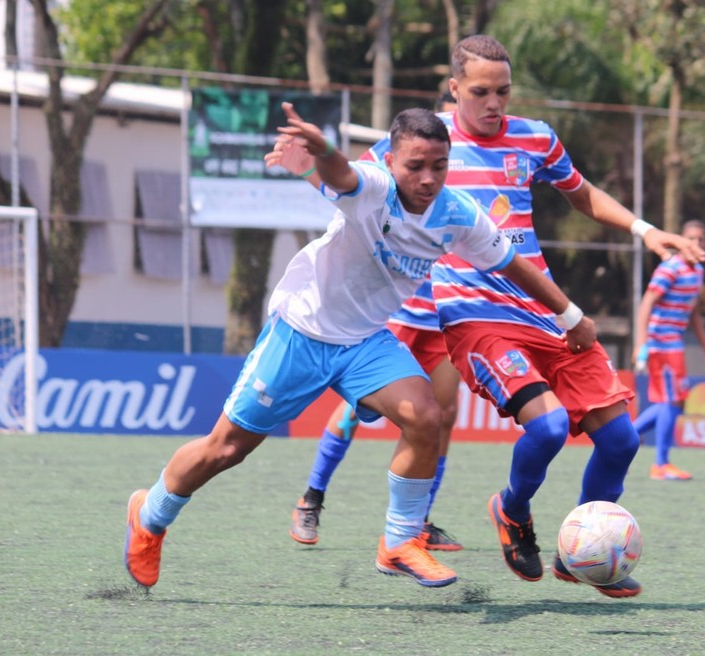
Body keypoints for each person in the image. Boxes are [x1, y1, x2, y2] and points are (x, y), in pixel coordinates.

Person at [123, 104, 598, 590]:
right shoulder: (373, 188)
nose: (428, 177)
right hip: (301, 334)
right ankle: (150, 516)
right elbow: (341, 173)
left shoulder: (459, 214)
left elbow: (514, 265)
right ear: (391, 161)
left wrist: (571, 316)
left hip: (365, 342)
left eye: (439, 165)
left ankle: (399, 542)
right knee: (225, 449)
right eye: (415, 165)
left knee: (426, 416)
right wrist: (324, 148)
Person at [405, 35, 705, 598]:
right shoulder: (430, 143)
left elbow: (582, 193)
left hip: (547, 310)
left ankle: (577, 558)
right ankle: (513, 510)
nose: (494, 103)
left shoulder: (535, 137)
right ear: (454, 90)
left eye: (503, 91)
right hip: (475, 317)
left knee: (619, 442)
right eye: (480, 92)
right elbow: (364, 182)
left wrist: (647, 232)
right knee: (545, 428)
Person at [289, 91, 463, 552]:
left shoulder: (473, 160)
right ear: (455, 94)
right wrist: (309, 165)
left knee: (442, 416)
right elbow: (341, 185)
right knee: (353, 412)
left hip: (449, 314)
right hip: (396, 312)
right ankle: (311, 498)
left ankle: (418, 522)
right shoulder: (398, 154)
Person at [631, 220, 705, 481]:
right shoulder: (670, 268)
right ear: (681, 241)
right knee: (671, 401)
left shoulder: (697, 273)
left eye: (700, 239)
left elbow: (693, 314)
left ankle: (624, 437)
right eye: (690, 238)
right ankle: (660, 465)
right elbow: (646, 304)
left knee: (675, 402)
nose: (695, 244)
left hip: (675, 344)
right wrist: (640, 344)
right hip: (660, 343)